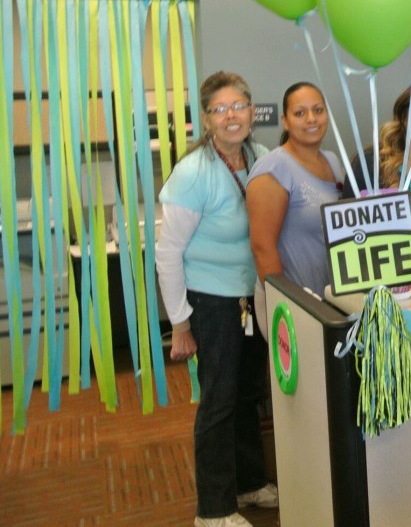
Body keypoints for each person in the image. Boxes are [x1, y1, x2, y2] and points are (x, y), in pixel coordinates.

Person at [156, 71, 278, 527]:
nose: (231, 116)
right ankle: (213, 509)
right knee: (219, 402)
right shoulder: (193, 173)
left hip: (251, 298)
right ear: (206, 119)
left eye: (238, 106)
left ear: (251, 111)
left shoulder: (261, 157)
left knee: (248, 395)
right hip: (211, 302)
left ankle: (249, 483)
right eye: (219, 109)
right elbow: (168, 253)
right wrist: (180, 323)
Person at [247, 82, 345, 296]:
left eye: (318, 110)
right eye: (300, 113)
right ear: (285, 121)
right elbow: (262, 249)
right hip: (294, 304)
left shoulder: (332, 161)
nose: (311, 119)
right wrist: (287, 303)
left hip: (331, 300)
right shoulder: (273, 168)